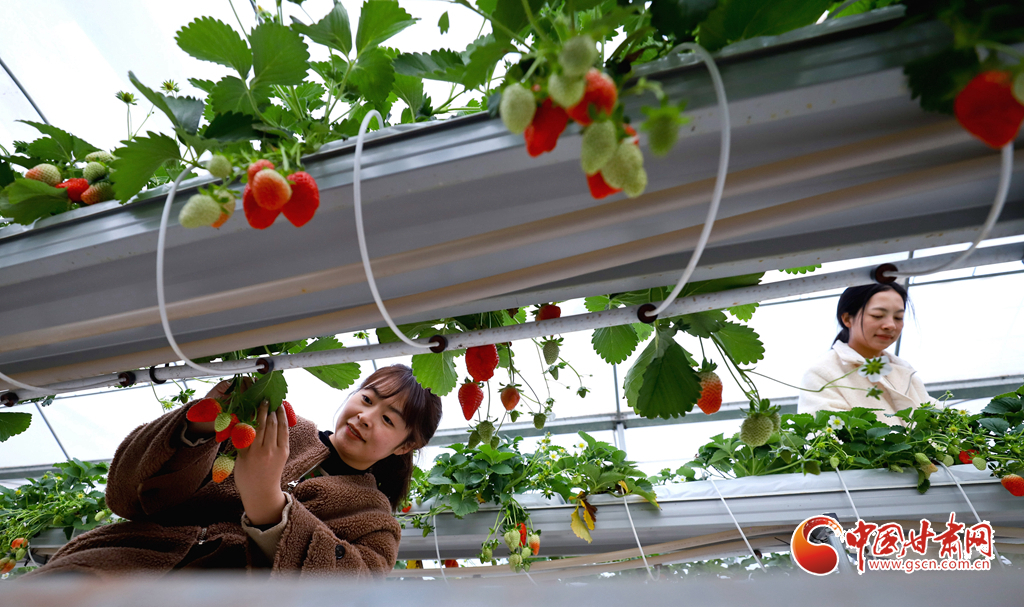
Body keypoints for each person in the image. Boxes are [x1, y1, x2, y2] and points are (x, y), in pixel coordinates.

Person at [25, 364, 442, 578]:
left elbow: (347, 592)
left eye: (389, 419)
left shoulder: (376, 522)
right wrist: (199, 428)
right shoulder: (273, 423)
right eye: (367, 398)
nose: (366, 416)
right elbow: (126, 495)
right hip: (115, 566)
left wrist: (268, 505)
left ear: (406, 445)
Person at [798, 283, 936, 425]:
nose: (890, 325)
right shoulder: (823, 373)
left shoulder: (904, 370)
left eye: (898, 317)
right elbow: (826, 434)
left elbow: (939, 421)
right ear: (847, 319)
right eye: (878, 316)